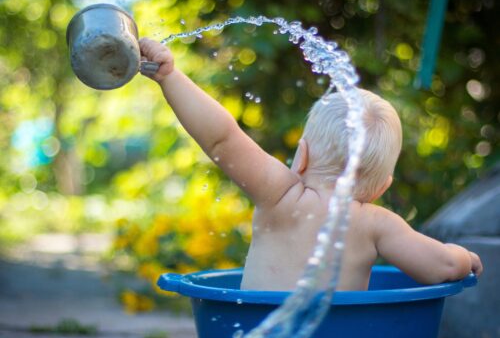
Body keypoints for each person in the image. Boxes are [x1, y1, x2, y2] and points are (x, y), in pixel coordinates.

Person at [139, 38, 483, 291]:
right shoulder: (377, 224)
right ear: (382, 187)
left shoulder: (280, 196)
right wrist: (465, 257)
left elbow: (222, 139)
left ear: (300, 155)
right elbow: (442, 266)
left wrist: (170, 76)